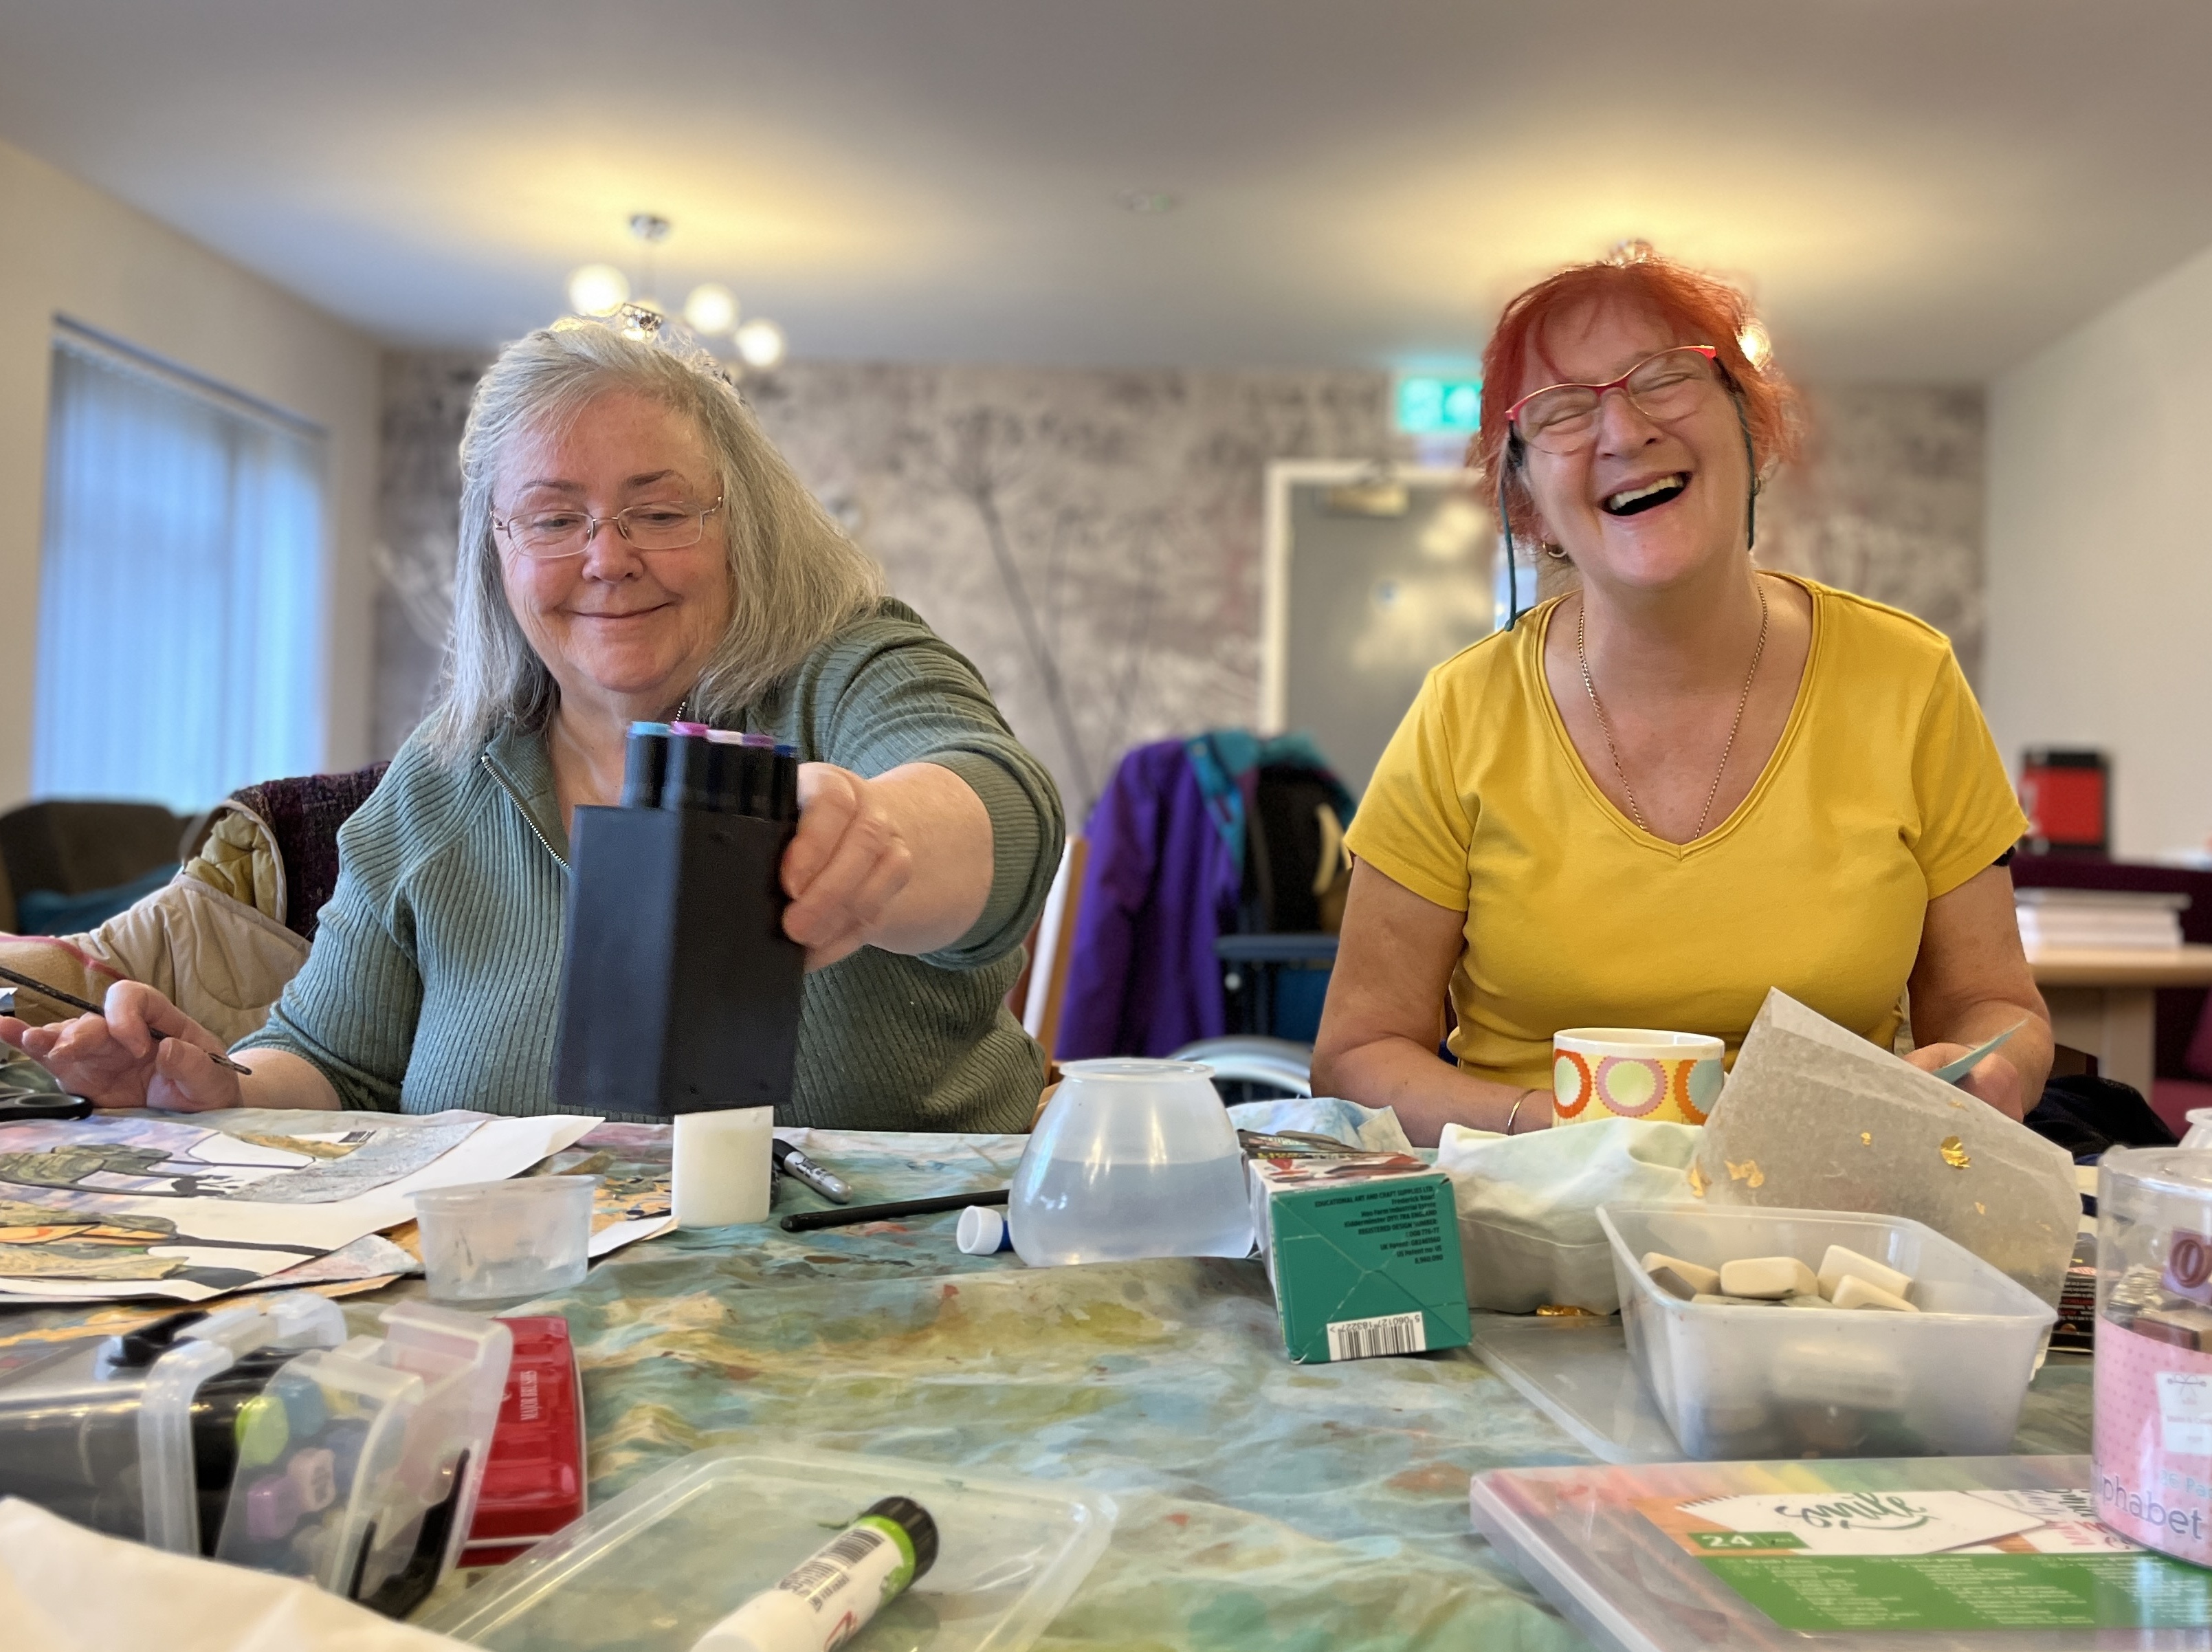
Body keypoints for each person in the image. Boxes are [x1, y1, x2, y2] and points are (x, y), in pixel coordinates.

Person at [2, 314, 1063, 1132]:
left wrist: (875, 832)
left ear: (740, 526)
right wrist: (210, 1091)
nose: (608, 557)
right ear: (496, 553)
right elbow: (335, 1064)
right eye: (554, 519)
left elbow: (1000, 813)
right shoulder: (443, 781)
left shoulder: (844, 666)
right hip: (526, 1338)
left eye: (658, 511)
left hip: (895, 1337)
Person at [1312, 250, 2048, 1146]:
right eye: (1563, 411)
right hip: (1539, 1227)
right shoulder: (1457, 711)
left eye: (1664, 379)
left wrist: (1985, 1067)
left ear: (1754, 430)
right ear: (1527, 503)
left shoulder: (1907, 675)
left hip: (1826, 1228)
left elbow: (1990, 1004)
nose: (1621, 431)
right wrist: (1570, 1131)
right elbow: (1358, 1053)